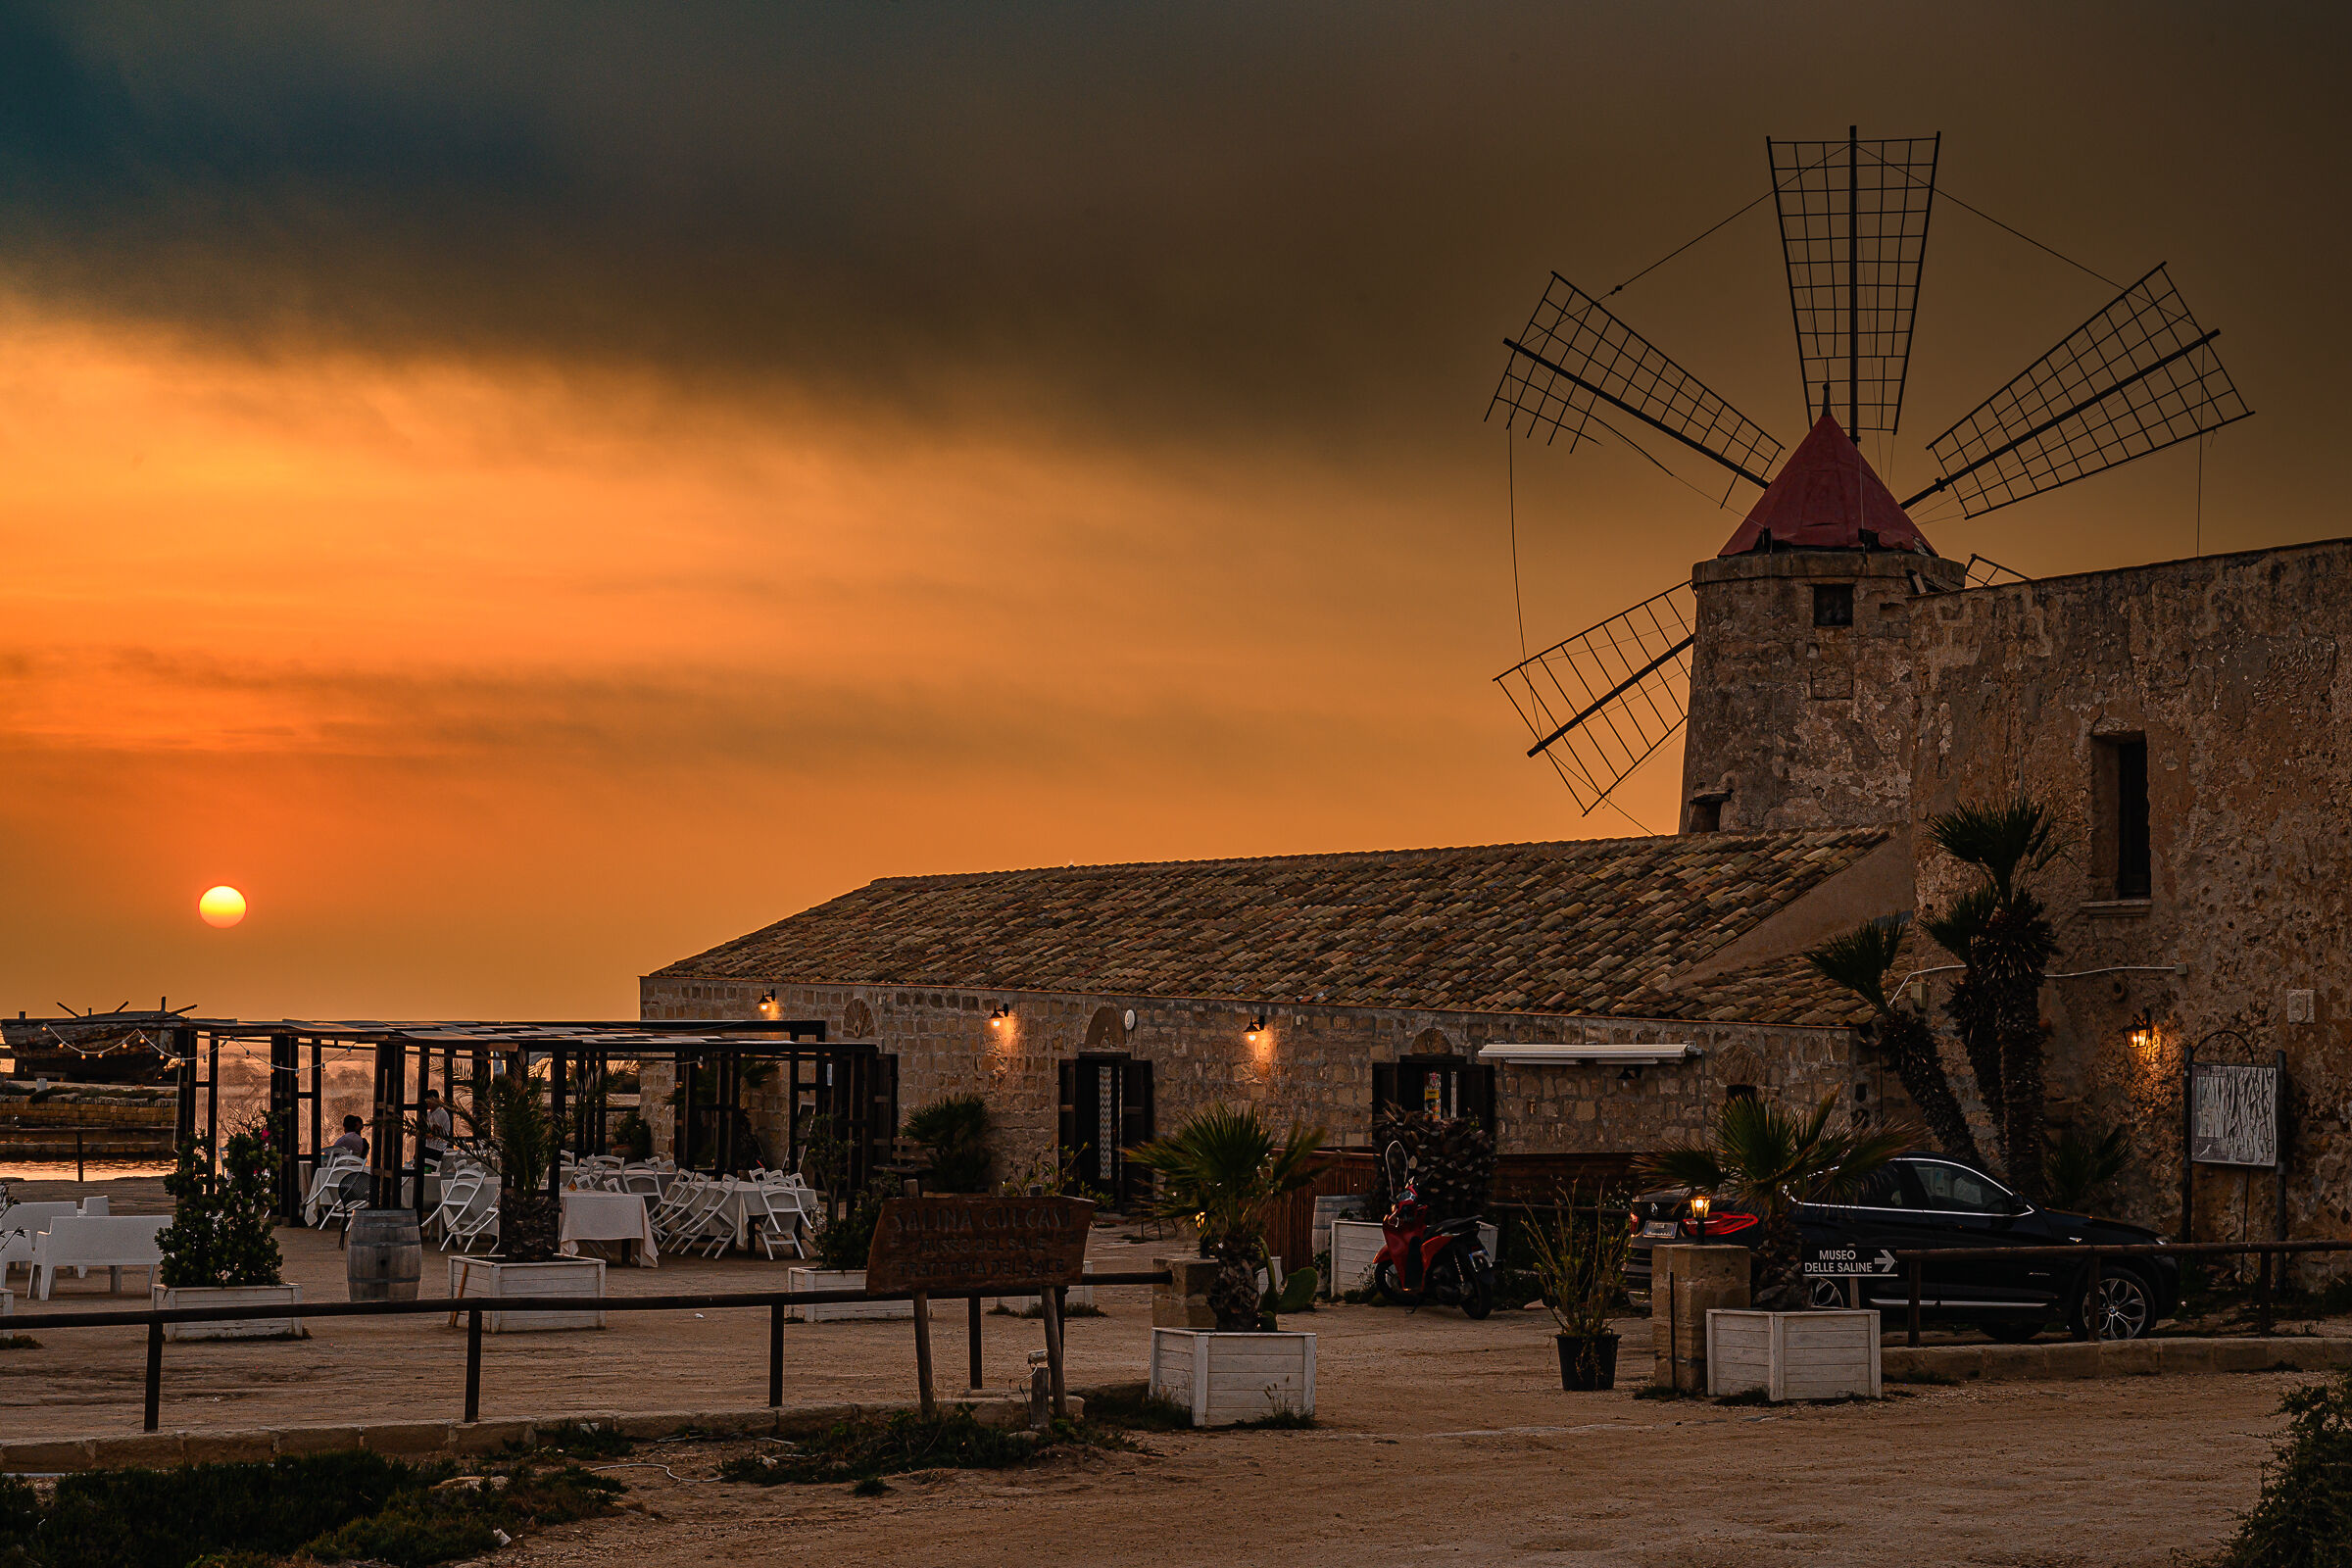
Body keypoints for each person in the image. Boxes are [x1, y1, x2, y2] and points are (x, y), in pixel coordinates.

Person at [421, 1089, 454, 1168]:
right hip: (429, 1148)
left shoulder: (441, 1114)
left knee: (420, 1156)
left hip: (438, 1150)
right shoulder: (428, 1114)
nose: (427, 1103)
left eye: (428, 1100)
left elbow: (433, 1133)